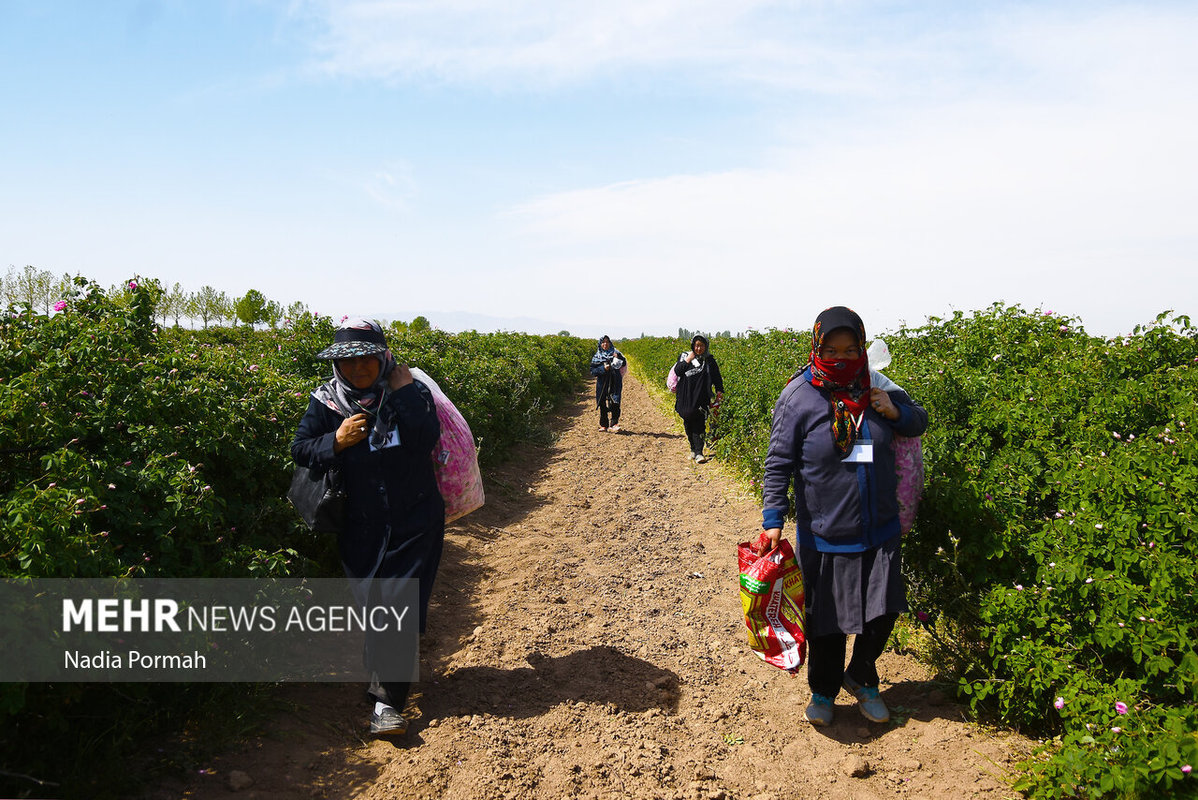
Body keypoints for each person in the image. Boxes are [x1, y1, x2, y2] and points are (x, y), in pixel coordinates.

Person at [759, 306, 928, 726]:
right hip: (825, 530)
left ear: (862, 347)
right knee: (828, 621)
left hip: (880, 527)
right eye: (831, 349)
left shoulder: (879, 387)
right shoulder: (799, 396)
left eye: (851, 348)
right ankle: (824, 690)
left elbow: (918, 420)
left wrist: (895, 411)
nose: (841, 357)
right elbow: (778, 460)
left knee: (882, 611)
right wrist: (772, 518)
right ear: (816, 346)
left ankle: (862, 676)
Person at [291, 319, 444, 737]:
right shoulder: (326, 403)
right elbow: (300, 449)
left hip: (415, 520)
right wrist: (335, 441)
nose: (358, 370)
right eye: (349, 362)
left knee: (398, 605)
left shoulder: (411, 391)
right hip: (359, 524)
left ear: (383, 359)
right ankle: (381, 675)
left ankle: (386, 704)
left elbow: (427, 436)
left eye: (367, 360)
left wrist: (404, 391)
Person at [672, 334, 724, 463]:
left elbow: (716, 377)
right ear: (692, 346)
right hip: (686, 397)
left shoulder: (709, 360)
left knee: (699, 424)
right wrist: (688, 359)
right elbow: (678, 371)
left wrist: (719, 391)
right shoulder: (685, 356)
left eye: (701, 346)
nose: (698, 348)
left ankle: (699, 452)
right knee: (688, 423)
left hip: (701, 396)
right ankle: (693, 449)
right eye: (696, 346)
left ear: (705, 346)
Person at [589, 335, 626, 432]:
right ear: (600, 344)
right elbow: (593, 371)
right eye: (603, 342)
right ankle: (604, 424)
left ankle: (614, 424)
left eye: (607, 342)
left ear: (610, 343)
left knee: (615, 401)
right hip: (602, 382)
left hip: (615, 381)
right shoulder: (597, 357)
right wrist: (603, 369)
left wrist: (618, 357)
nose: (605, 344)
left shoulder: (616, 353)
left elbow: (624, 363)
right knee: (602, 402)